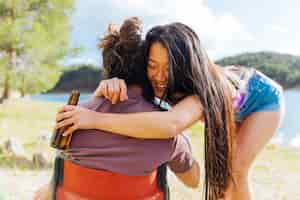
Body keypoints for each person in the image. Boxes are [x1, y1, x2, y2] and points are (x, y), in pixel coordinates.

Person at [56, 22, 285, 200]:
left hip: (262, 100)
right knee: (222, 177)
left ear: (183, 65)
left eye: (168, 68)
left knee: (236, 170)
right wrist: (114, 82)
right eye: (152, 65)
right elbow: (137, 99)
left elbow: (170, 124)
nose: (159, 76)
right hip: (230, 107)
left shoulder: (201, 92)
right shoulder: (159, 82)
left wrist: (95, 118)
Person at [34, 18, 200, 200]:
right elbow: (193, 181)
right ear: (145, 68)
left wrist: (95, 101)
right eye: (153, 65)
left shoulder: (72, 121)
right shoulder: (169, 138)